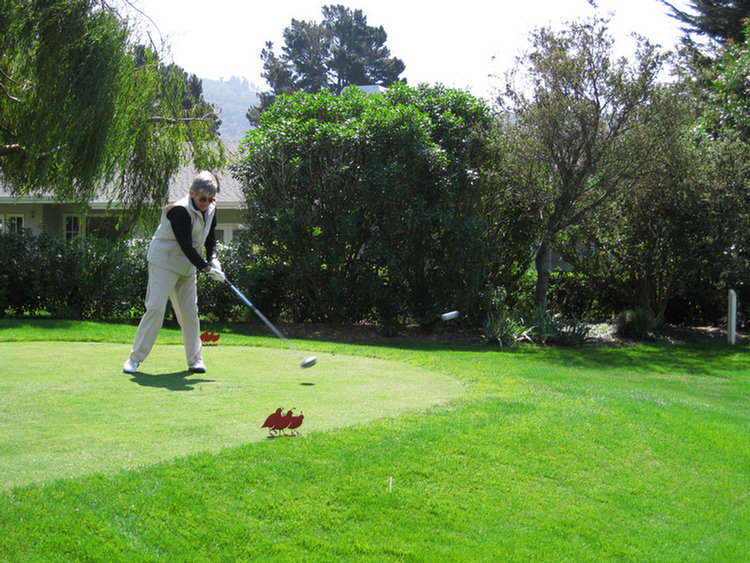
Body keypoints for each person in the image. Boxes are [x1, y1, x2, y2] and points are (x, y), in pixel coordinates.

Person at [123, 171, 226, 375]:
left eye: (210, 199)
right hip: (165, 262)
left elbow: (210, 239)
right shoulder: (179, 210)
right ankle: (134, 359)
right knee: (155, 309)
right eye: (202, 199)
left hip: (187, 267)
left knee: (189, 313)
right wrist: (206, 268)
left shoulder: (211, 209)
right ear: (192, 193)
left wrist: (213, 259)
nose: (206, 203)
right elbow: (186, 246)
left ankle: (195, 359)